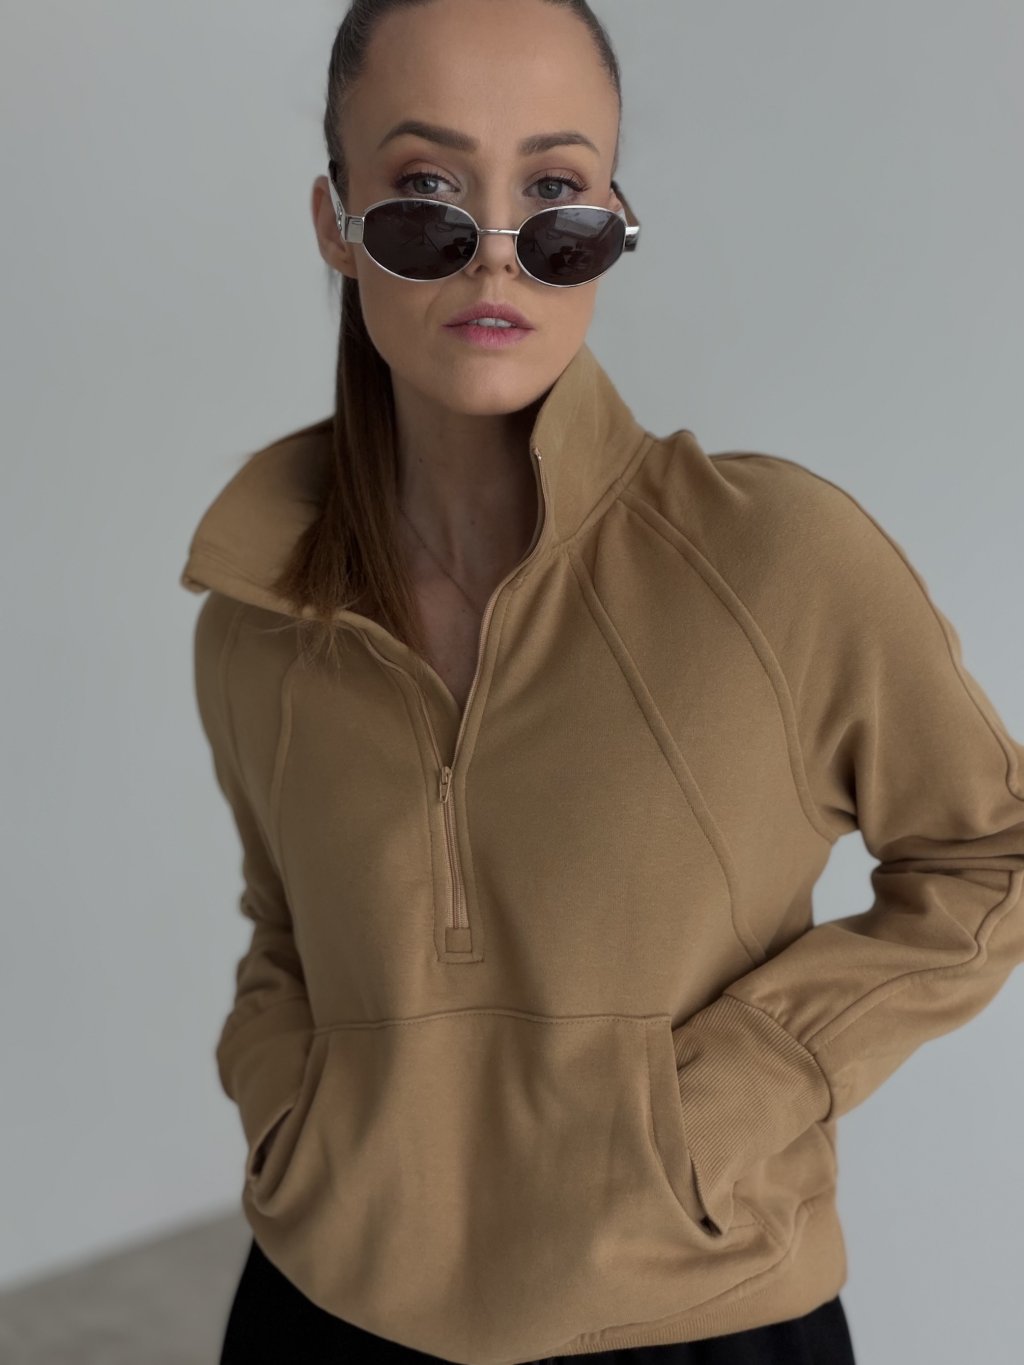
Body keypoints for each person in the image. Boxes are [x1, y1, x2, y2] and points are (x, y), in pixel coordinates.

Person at [180, 2, 1024, 1362]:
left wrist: (750, 1084)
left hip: (697, 1317)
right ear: (335, 221)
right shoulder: (259, 610)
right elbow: (284, 924)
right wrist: (289, 1104)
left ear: (616, 223)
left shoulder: (778, 563)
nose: (495, 250)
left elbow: (993, 851)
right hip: (324, 1310)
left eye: (555, 192)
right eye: (426, 191)